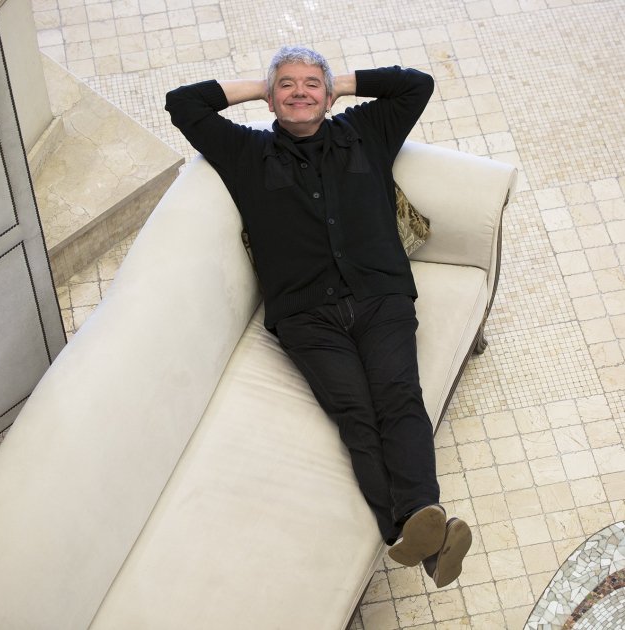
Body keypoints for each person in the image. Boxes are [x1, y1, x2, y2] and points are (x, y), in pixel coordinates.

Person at [165, 45, 472, 588]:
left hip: (380, 297)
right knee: (357, 415)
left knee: (398, 397)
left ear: (330, 96)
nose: (299, 92)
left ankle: (416, 526)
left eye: (312, 83)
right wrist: (262, 87)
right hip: (308, 316)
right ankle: (422, 533)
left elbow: (416, 84)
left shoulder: (367, 131)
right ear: (270, 99)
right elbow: (182, 103)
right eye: (286, 84)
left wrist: (338, 84)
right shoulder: (246, 153)